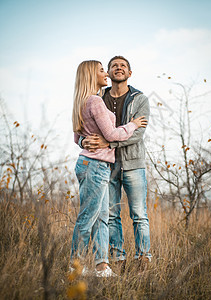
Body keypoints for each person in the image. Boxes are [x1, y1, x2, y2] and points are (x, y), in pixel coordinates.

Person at [70, 60, 147, 277]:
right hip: (94, 165)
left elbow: (78, 137)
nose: (105, 73)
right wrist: (133, 124)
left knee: (103, 217)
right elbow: (112, 135)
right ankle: (75, 265)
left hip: (97, 164)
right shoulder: (95, 100)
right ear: (90, 75)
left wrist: (84, 142)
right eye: (102, 70)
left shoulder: (81, 101)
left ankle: (101, 266)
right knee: (88, 217)